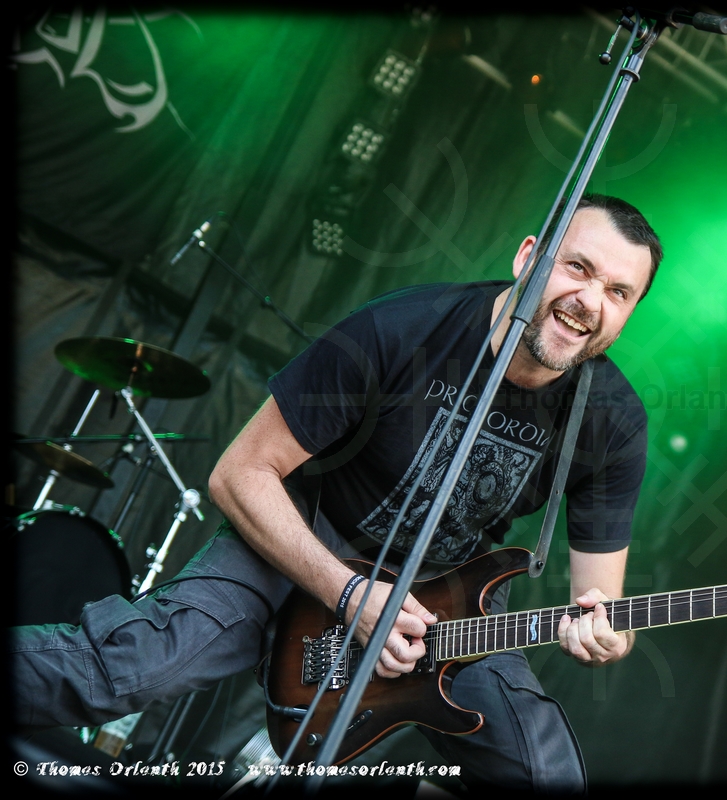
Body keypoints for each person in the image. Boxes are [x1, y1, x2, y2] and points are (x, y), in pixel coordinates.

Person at [8, 194, 661, 793]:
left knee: (544, 776)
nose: (589, 301)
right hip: (299, 541)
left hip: (443, 600)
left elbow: (600, 604)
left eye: (618, 291)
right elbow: (240, 472)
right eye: (577, 267)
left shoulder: (614, 422)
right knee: (131, 668)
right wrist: (348, 593)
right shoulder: (400, 328)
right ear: (528, 256)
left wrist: (607, 636)